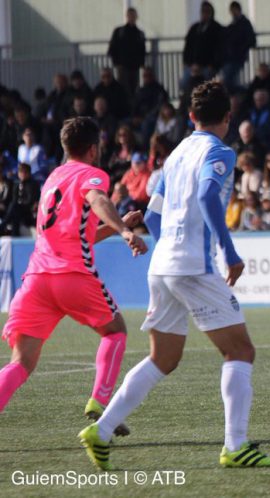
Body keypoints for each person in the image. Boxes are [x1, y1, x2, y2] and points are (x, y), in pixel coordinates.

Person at [78, 81, 270, 470]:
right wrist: (229, 251)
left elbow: (152, 215)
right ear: (228, 117)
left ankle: (101, 431)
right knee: (239, 350)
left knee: (164, 357)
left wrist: (170, 246)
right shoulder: (220, 150)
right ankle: (235, 446)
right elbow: (207, 196)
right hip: (192, 265)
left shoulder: (174, 155)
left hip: (162, 265)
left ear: (190, 117)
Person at [0, 117, 147, 436]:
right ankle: (100, 403)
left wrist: (117, 223)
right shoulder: (92, 175)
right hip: (73, 276)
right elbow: (98, 200)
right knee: (115, 331)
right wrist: (124, 231)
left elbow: (80, 235)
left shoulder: (53, 177)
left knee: (20, 363)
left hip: (36, 280)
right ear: (94, 149)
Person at [107, 7, 146, 96]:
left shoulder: (139, 33)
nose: (132, 17)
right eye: (130, 15)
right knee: (123, 89)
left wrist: (142, 64)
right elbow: (112, 48)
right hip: (123, 66)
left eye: (133, 16)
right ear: (127, 17)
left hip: (135, 66)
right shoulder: (120, 31)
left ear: (136, 17)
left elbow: (142, 50)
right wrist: (116, 63)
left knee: (134, 88)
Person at [221, 1, 256, 93]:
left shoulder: (244, 23)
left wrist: (241, 49)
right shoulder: (234, 24)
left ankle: (245, 92)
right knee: (229, 80)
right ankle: (239, 95)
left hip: (237, 57)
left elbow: (251, 40)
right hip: (231, 57)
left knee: (228, 80)